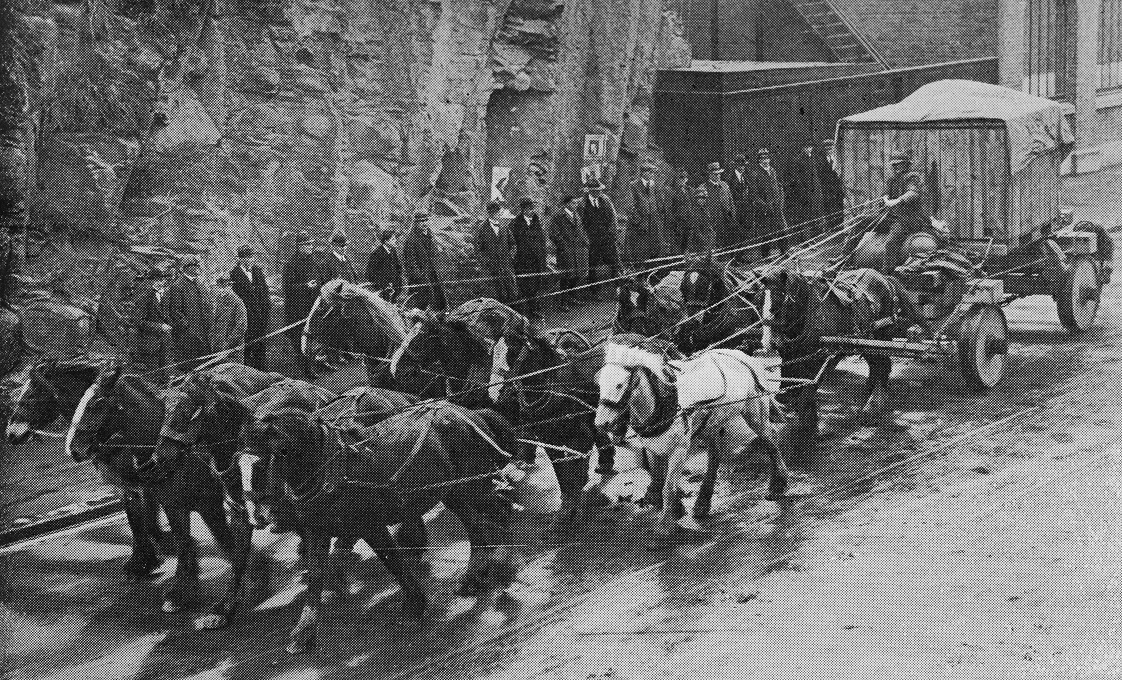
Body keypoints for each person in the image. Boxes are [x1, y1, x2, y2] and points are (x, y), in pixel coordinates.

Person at [282, 230, 325, 380]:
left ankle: (310, 367)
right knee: (300, 341)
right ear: (299, 246)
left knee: (311, 340)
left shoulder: (313, 262)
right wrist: (306, 286)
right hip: (297, 311)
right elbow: (287, 289)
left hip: (312, 309)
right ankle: (304, 372)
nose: (310, 247)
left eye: (311, 244)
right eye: (307, 245)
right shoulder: (290, 264)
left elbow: (321, 280)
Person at [167, 254, 213, 371]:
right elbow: (175, 312)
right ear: (185, 268)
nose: (197, 267)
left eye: (197, 265)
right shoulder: (178, 286)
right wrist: (187, 328)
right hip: (187, 336)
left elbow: (208, 304)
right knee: (189, 366)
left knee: (203, 366)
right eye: (194, 265)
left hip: (203, 332)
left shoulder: (200, 284)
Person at [230, 245, 270, 371]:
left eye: (252, 257)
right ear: (240, 259)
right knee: (246, 349)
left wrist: (266, 312)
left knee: (260, 349)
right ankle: (246, 376)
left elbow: (265, 293)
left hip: (261, 318)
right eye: (247, 258)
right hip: (246, 320)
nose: (250, 260)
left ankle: (262, 375)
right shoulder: (234, 275)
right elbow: (235, 301)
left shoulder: (258, 271)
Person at [509, 197, 549, 319]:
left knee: (535, 285)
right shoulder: (515, 224)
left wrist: (543, 257)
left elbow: (541, 240)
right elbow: (512, 243)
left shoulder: (536, 222)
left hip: (536, 260)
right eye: (529, 208)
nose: (532, 211)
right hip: (523, 261)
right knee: (524, 286)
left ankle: (533, 310)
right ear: (523, 210)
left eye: (533, 208)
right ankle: (521, 313)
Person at [128, 267, 173, 376]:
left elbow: (166, 316)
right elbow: (138, 322)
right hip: (149, 342)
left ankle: (164, 380)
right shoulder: (144, 298)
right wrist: (160, 327)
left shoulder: (165, 297)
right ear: (150, 281)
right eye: (155, 280)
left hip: (164, 341)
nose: (160, 282)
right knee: (151, 375)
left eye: (161, 280)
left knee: (163, 371)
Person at [580, 177, 619, 300]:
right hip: (592, 239)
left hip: (607, 237)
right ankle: (594, 291)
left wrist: (613, 233)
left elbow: (613, 217)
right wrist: (585, 239)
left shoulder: (606, 200)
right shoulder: (582, 204)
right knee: (592, 265)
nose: (598, 192)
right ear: (589, 191)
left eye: (599, 190)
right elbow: (580, 224)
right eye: (595, 190)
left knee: (614, 261)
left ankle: (617, 288)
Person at [549, 194, 589, 311]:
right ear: (566, 204)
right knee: (566, 276)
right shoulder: (558, 216)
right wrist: (563, 245)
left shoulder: (576, 215)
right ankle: (563, 302)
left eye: (576, 203)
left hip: (578, 250)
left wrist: (586, 243)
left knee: (577, 275)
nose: (575, 205)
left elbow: (581, 231)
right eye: (573, 203)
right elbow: (553, 234)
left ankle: (571, 297)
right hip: (566, 251)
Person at [400, 211, 447, 311]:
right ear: (416, 223)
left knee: (439, 300)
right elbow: (410, 262)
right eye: (421, 221)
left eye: (426, 220)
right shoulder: (411, 240)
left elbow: (435, 254)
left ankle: (440, 317)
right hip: (420, 278)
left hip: (433, 274)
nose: (424, 223)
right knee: (422, 304)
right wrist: (419, 276)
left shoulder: (430, 235)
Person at [474, 200, 518, 306]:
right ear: (489, 213)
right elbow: (478, 250)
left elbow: (513, 244)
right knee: (493, 296)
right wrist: (487, 262)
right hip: (490, 270)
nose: (497, 214)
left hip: (505, 267)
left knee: (511, 294)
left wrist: (510, 257)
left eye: (498, 211)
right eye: (494, 212)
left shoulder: (504, 227)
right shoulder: (481, 229)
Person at [748, 148, 788, 259]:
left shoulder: (773, 171)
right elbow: (754, 195)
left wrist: (780, 200)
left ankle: (784, 252)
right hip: (765, 209)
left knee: (782, 229)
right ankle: (765, 255)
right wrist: (765, 205)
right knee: (766, 233)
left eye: (767, 158)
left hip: (777, 207)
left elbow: (778, 186)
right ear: (759, 160)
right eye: (763, 159)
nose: (766, 160)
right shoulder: (755, 174)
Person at [622, 161, 662, 269]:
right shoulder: (633, 185)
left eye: (653, 173)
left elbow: (658, 205)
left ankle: (649, 276)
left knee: (652, 253)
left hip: (652, 225)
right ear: (643, 173)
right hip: (638, 227)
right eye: (650, 172)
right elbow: (629, 207)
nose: (652, 175)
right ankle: (637, 277)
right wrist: (639, 222)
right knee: (638, 254)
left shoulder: (654, 187)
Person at [786, 143, 825, 240]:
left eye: (810, 147)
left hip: (814, 192)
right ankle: (806, 239)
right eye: (807, 147)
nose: (809, 149)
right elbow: (797, 179)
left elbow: (815, 177)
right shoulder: (798, 160)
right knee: (805, 217)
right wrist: (803, 192)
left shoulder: (813, 159)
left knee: (813, 216)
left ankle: (812, 239)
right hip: (804, 193)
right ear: (803, 148)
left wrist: (817, 191)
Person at [697, 161, 734, 256]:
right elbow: (700, 208)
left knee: (726, 247)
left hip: (725, 221)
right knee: (713, 249)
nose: (718, 176)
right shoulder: (703, 188)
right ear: (710, 174)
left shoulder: (725, 186)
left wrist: (732, 216)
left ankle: (727, 262)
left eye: (719, 174)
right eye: (715, 174)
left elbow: (731, 202)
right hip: (711, 224)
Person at [212, 274, 248, 364]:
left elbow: (242, 326)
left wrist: (228, 344)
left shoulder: (237, 302)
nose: (221, 289)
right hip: (218, 347)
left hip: (232, 350)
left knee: (233, 374)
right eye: (219, 286)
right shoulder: (218, 299)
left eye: (224, 286)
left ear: (230, 286)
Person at [365, 226, 403, 302]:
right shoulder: (377, 254)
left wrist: (397, 282)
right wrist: (384, 285)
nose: (395, 240)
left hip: (394, 292)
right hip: (382, 294)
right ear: (386, 241)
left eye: (395, 238)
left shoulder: (393, 251)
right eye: (393, 239)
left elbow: (398, 268)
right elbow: (369, 274)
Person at [724, 154, 751, 250]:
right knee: (735, 233)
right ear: (736, 165)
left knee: (744, 233)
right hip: (735, 209)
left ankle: (740, 256)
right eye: (740, 165)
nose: (742, 167)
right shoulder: (730, 178)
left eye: (743, 165)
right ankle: (734, 258)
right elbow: (729, 196)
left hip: (745, 209)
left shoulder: (745, 177)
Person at [664, 169, 692, 256]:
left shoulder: (690, 190)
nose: (683, 179)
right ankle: (675, 267)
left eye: (685, 177)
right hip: (676, 225)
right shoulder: (670, 191)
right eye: (681, 177)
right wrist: (673, 224)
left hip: (688, 224)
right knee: (676, 250)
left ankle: (685, 267)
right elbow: (668, 209)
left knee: (687, 248)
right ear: (676, 179)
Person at [820, 139, 845, 232]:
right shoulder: (821, 161)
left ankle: (839, 227)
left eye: (830, 148)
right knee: (829, 208)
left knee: (838, 207)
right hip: (827, 189)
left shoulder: (837, 160)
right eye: (826, 148)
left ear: (833, 148)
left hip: (837, 188)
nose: (829, 150)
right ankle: (831, 228)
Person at [687, 184, 718, 254]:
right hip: (696, 244)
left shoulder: (706, 210)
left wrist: (712, 238)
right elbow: (695, 230)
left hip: (707, 243)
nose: (702, 200)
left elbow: (710, 226)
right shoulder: (692, 211)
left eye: (704, 198)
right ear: (696, 198)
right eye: (700, 197)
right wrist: (705, 242)